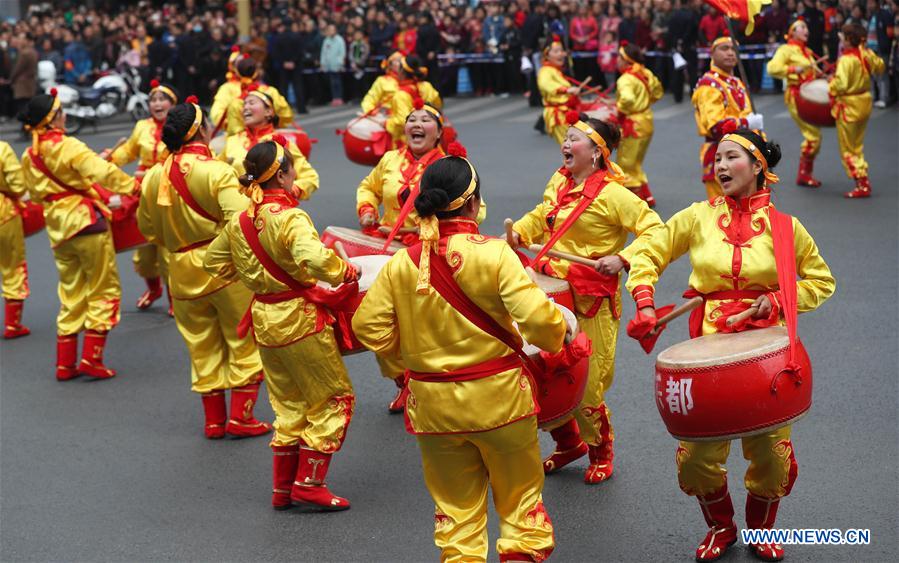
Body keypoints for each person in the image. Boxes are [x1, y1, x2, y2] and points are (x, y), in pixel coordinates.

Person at [625, 129, 835, 562]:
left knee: (772, 453)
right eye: (717, 158)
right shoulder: (696, 217)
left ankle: (761, 530)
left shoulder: (786, 228)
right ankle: (720, 526)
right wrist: (645, 302)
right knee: (696, 455)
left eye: (731, 157)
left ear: (758, 166)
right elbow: (648, 252)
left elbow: (821, 281)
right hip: (710, 355)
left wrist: (778, 299)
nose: (720, 166)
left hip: (766, 358)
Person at [353, 155, 566, 562]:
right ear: (472, 203)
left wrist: (411, 355)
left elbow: (367, 327)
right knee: (520, 508)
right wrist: (559, 334)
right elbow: (540, 322)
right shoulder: (495, 254)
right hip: (501, 403)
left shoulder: (402, 262)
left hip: (433, 409)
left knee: (457, 517)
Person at [204, 138, 358, 511]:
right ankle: (309, 483)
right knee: (333, 399)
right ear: (282, 175)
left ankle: (283, 489)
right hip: (298, 318)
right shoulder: (290, 217)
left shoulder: (241, 220)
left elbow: (212, 261)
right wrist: (344, 270)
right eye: (291, 170)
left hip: (264, 318)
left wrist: (252, 275)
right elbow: (315, 259)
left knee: (290, 405)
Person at [510, 113, 664, 484]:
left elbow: (655, 230)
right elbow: (542, 216)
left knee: (587, 382)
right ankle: (569, 444)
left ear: (596, 152)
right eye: (565, 137)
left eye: (574, 139)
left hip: (591, 300)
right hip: (553, 293)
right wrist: (520, 232)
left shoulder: (614, 195)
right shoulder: (558, 181)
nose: (565, 144)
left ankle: (600, 450)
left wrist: (623, 257)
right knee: (546, 371)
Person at [137, 99, 270, 439]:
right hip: (223, 270)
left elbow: (147, 229)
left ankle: (213, 422)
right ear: (201, 130)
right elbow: (242, 222)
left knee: (201, 346)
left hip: (180, 272)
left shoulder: (152, 176)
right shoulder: (217, 171)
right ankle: (241, 417)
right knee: (243, 341)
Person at [357, 103, 476, 413]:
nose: (417, 123)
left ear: (439, 132)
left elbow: (475, 208)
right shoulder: (389, 160)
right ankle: (404, 382)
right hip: (389, 252)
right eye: (412, 119)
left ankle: (438, 381)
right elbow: (368, 187)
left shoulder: (450, 166)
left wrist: (431, 226)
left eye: (426, 119)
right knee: (385, 318)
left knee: (427, 322)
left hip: (430, 253)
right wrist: (367, 209)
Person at [19, 92, 136, 380]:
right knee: (103, 288)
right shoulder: (68, 145)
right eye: (61, 112)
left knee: (71, 291)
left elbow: (35, 195)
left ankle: (65, 364)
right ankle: (92, 359)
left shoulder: (30, 154)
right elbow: (103, 172)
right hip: (85, 222)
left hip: (58, 228)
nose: (65, 116)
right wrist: (133, 187)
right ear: (52, 119)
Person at [103, 80, 178, 312]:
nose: (157, 104)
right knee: (143, 250)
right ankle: (154, 288)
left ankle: (175, 299)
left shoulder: (179, 125)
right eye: (153, 100)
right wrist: (109, 159)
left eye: (162, 99)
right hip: (142, 191)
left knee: (168, 252)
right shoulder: (142, 126)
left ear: (172, 103)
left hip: (168, 190)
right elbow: (129, 151)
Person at [691, 37, 763, 201]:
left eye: (734, 49)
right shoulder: (709, 85)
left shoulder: (737, 82)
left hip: (745, 156)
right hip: (721, 154)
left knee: (749, 208)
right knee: (724, 211)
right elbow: (716, 127)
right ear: (712, 53)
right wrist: (747, 123)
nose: (730, 53)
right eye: (724, 48)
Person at [218, 84, 318, 200]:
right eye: (244, 104)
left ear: (268, 111)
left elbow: (310, 177)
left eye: (251, 103)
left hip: (273, 208)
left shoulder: (281, 143)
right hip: (236, 208)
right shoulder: (233, 141)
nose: (245, 107)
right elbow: (217, 173)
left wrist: (290, 190)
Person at [766, 19, 826, 187]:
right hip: (796, 96)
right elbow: (772, 68)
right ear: (792, 32)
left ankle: (805, 174)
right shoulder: (785, 50)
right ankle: (804, 175)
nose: (807, 30)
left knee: (815, 135)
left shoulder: (807, 51)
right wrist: (792, 69)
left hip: (808, 95)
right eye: (802, 27)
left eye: (807, 27)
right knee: (813, 136)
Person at [829, 23, 886, 198]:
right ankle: (863, 179)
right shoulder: (865, 54)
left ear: (848, 39)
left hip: (849, 106)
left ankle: (861, 183)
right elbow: (880, 66)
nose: (841, 38)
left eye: (843, 36)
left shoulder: (847, 59)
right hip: (864, 103)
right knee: (857, 146)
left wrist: (831, 84)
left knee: (848, 148)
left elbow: (841, 85)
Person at [615, 42, 663, 207]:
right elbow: (658, 92)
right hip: (646, 119)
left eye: (619, 57)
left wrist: (619, 109)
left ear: (626, 59)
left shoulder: (626, 79)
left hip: (633, 124)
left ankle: (633, 203)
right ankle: (647, 197)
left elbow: (627, 99)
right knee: (636, 162)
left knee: (626, 163)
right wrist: (645, 102)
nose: (617, 60)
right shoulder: (645, 72)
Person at [211, 55, 293, 138]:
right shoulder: (270, 90)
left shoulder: (226, 88)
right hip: (268, 136)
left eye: (251, 103)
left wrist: (233, 125)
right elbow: (286, 115)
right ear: (257, 70)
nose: (246, 107)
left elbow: (217, 116)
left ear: (235, 70)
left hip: (238, 138)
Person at [0, 140, 30, 338]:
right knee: (12, 266)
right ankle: (13, 324)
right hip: (4, 214)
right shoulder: (2, 148)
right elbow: (18, 186)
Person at [384, 54, 442, 146]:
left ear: (402, 72)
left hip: (409, 142)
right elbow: (437, 105)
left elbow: (402, 122)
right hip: (431, 139)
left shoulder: (401, 95)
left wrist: (386, 123)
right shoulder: (426, 86)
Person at [538, 35, 585, 144]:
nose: (561, 54)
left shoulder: (556, 71)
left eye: (561, 50)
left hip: (566, 112)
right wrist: (566, 90)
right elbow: (545, 84)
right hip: (558, 114)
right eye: (556, 51)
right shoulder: (545, 71)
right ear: (547, 55)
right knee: (571, 147)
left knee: (575, 147)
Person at [320, 23, 346, 106]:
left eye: (332, 30)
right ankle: (334, 98)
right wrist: (323, 63)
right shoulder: (326, 40)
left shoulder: (339, 40)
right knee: (332, 82)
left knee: (338, 82)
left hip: (337, 64)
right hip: (329, 65)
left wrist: (340, 62)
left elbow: (342, 52)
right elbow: (323, 52)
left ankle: (340, 97)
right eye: (329, 30)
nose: (331, 31)